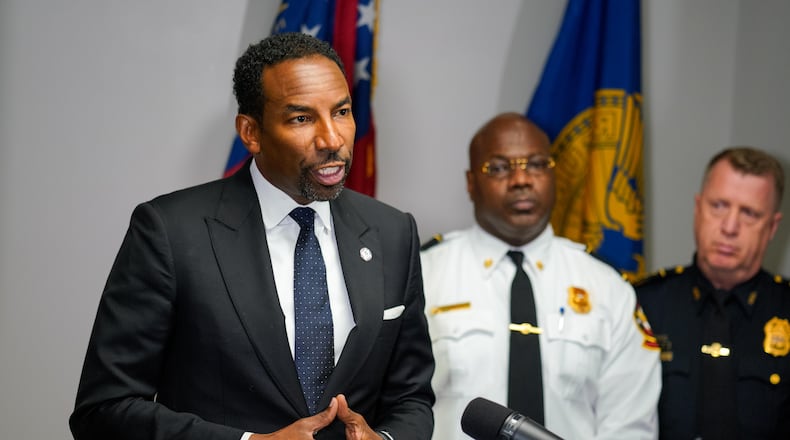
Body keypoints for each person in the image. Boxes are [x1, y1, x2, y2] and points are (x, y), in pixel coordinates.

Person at [69, 32, 435, 440]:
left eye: (342, 112)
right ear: (251, 132)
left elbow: (411, 398)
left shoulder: (392, 232)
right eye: (302, 118)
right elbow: (104, 410)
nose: (332, 140)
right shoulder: (169, 231)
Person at [420, 112, 661, 440]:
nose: (521, 180)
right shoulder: (423, 275)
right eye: (500, 167)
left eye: (536, 164)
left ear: (554, 175)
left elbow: (629, 426)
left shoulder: (608, 289)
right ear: (471, 183)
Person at [634, 146, 790, 439]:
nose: (730, 227)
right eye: (718, 206)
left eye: (749, 213)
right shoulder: (643, 304)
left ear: (771, 228)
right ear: (698, 208)